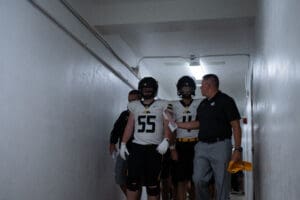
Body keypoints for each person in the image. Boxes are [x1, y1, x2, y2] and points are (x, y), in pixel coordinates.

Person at [174, 74, 242, 200]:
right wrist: (177, 124)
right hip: (202, 146)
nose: (200, 89)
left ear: (209, 85)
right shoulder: (203, 105)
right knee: (198, 179)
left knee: (221, 182)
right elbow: (198, 124)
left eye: (202, 85)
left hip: (220, 145)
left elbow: (236, 126)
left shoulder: (226, 101)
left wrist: (237, 149)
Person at [120, 77, 172, 200]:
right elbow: (130, 126)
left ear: (155, 90)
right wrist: (123, 143)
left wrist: (167, 140)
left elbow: (168, 124)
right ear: (140, 90)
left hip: (154, 149)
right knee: (132, 182)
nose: (147, 91)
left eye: (150, 89)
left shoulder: (162, 104)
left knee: (152, 183)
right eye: (145, 88)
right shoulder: (134, 105)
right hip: (137, 147)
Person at [169, 76, 202, 200]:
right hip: (180, 145)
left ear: (193, 89)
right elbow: (170, 127)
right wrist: (172, 148)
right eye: (184, 87)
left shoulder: (200, 102)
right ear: (179, 89)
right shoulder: (173, 104)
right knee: (180, 180)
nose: (186, 90)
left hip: (197, 145)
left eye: (189, 87)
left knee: (196, 179)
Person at [109, 90, 141, 196]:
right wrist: (112, 143)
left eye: (134, 100)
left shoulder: (144, 115)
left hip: (139, 152)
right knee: (119, 177)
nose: (131, 103)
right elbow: (116, 129)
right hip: (124, 151)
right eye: (129, 101)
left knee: (136, 181)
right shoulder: (124, 114)